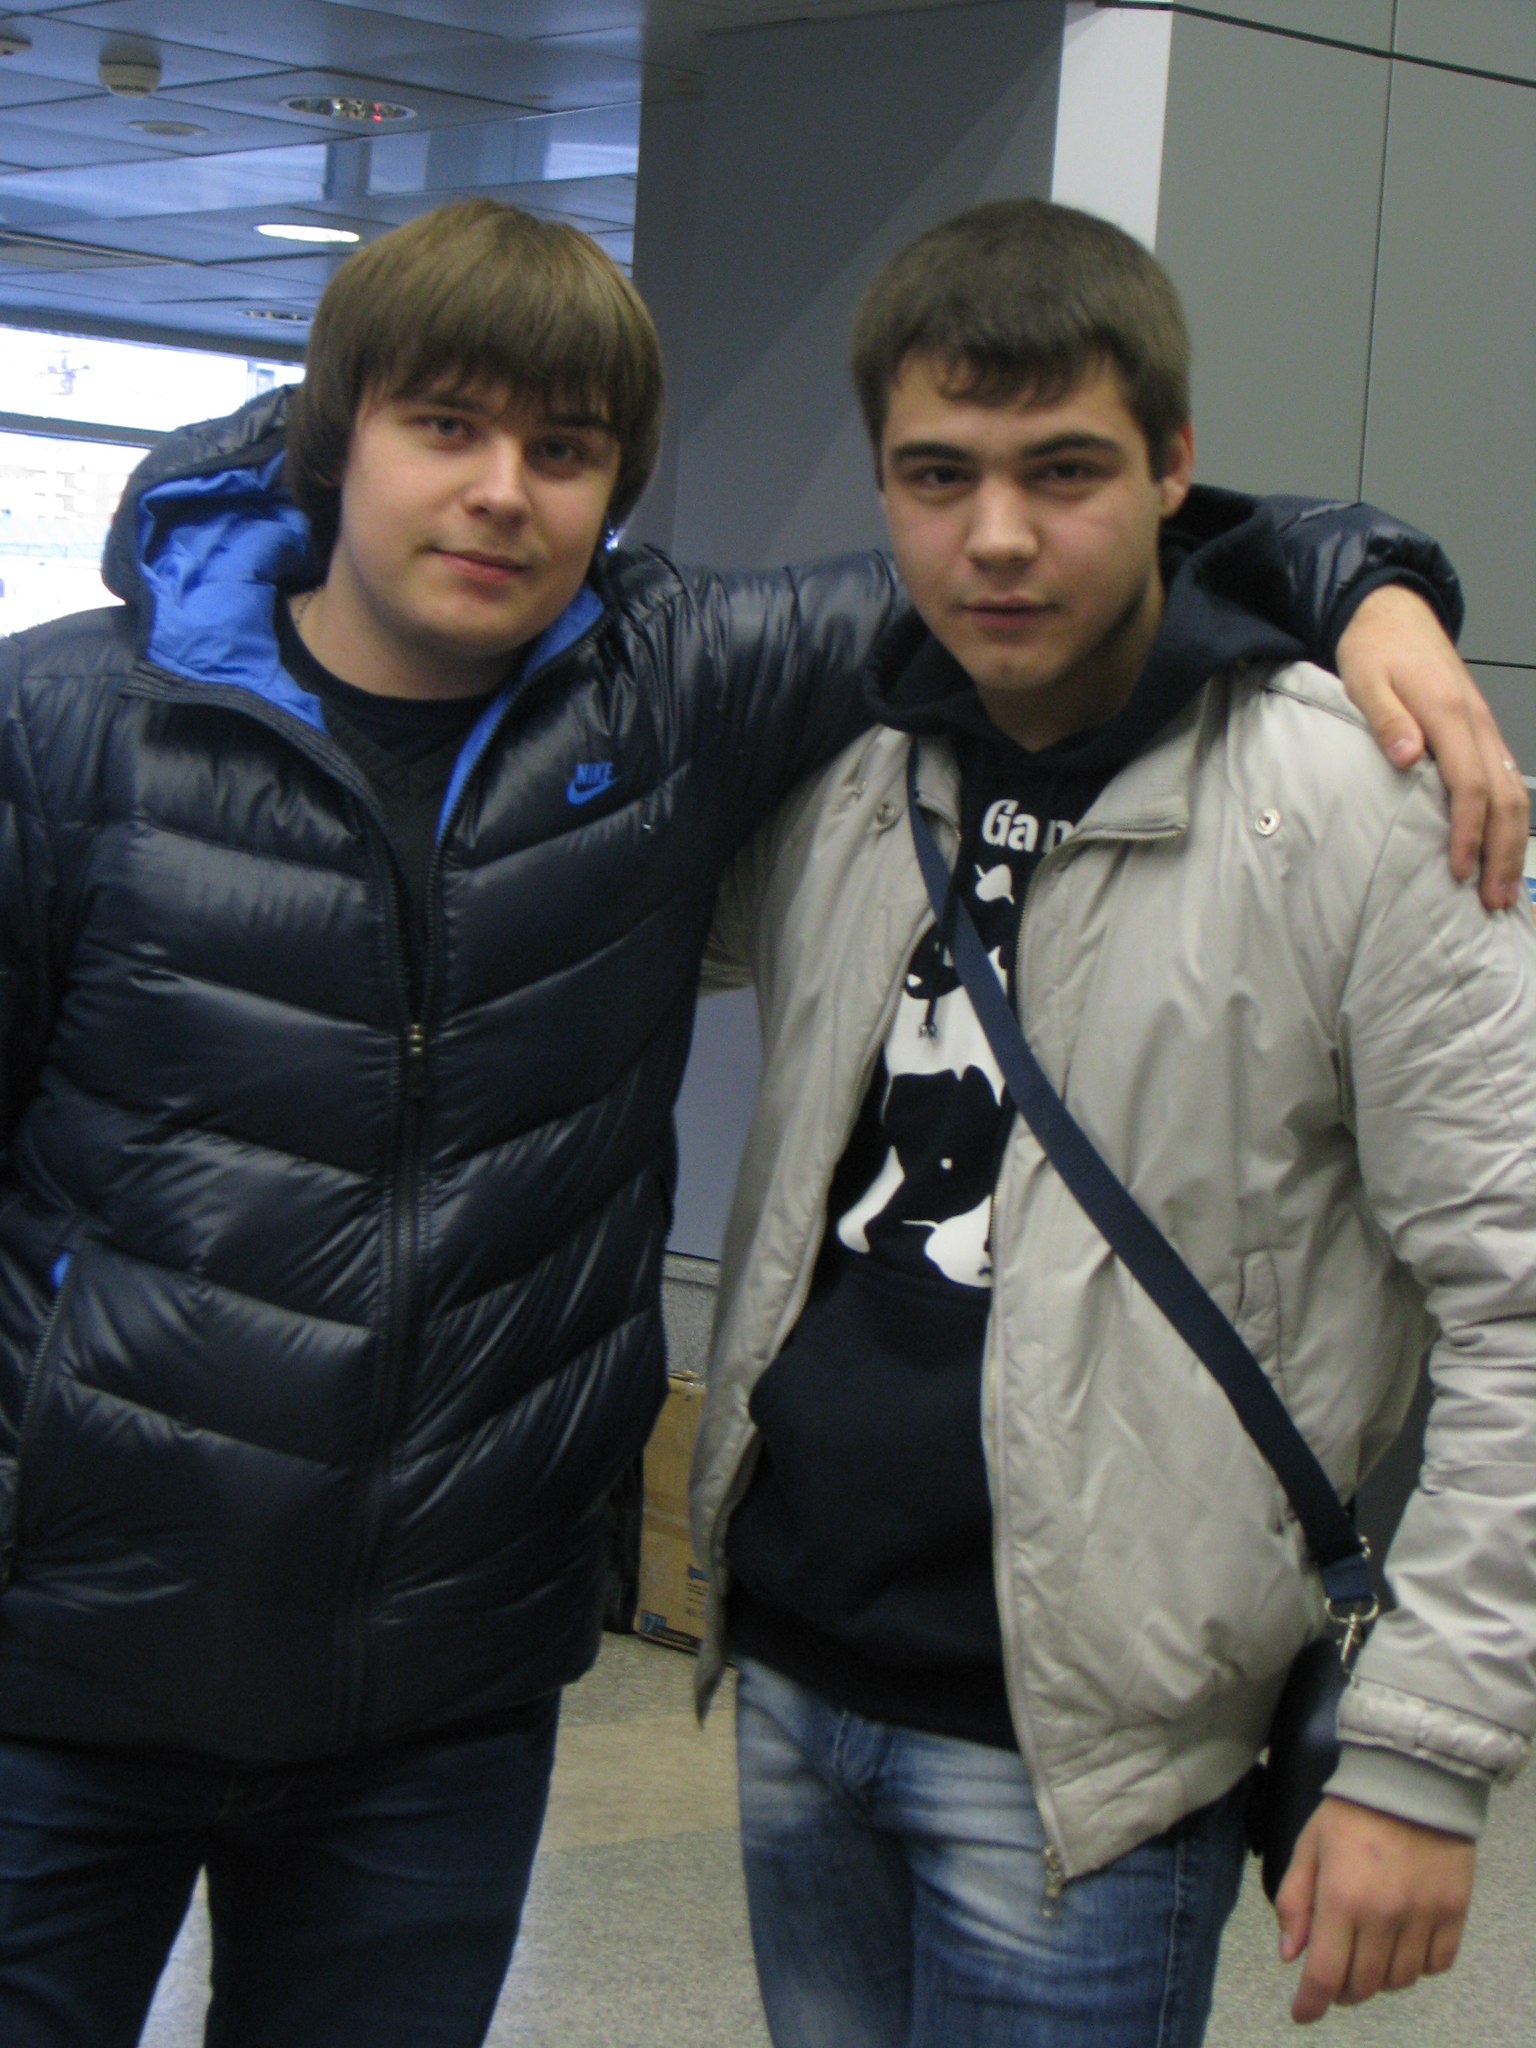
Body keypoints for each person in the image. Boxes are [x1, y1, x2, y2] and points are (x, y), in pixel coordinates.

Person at [0, 196, 1516, 2048]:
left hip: (445, 1703)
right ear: (332, 438)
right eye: (443, 427)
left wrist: (1371, 585)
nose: (499, 494)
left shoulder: (673, 702)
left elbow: (1081, 545)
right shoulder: (66, 730)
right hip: (60, 1660)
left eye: (565, 451)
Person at [691, 197, 1536, 2048]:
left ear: (1174, 470)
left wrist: (1427, 1748)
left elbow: (1521, 1306)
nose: (996, 535)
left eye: (1063, 470)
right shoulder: (851, 770)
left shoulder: (1359, 804)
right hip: (798, 1683)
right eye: (939, 475)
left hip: (1093, 1747)